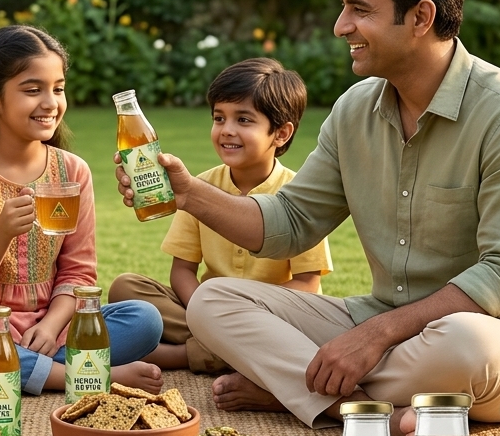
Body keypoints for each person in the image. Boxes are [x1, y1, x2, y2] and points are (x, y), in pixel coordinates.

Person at [115, 0, 500, 436]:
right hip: (383, 325)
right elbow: (289, 223)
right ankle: (360, 408)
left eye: (360, 9)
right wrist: (189, 193)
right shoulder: (355, 111)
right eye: (343, 6)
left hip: (499, 334)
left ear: (421, 16)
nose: (340, 26)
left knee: (467, 347)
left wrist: (375, 336)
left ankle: (294, 388)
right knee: (214, 301)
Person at [0, 25, 164, 395]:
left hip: (54, 322)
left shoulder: (73, 171)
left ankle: (4, 367)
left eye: (58, 88)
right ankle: (86, 377)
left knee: (144, 319)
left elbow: (78, 271)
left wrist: (49, 327)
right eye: (33, 90)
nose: (50, 102)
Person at [108, 58, 332, 372]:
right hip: (204, 308)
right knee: (126, 288)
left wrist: (241, 314)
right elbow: (183, 271)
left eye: (243, 120)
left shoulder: (298, 193)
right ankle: (227, 351)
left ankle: (184, 355)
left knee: (305, 328)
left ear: (280, 133)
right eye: (219, 118)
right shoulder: (198, 188)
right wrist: (208, 313)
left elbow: (307, 284)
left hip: (268, 315)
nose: (226, 130)